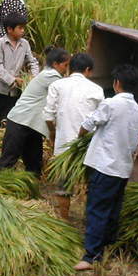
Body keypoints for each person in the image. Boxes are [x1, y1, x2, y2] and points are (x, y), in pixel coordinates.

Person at [74, 64, 138, 271]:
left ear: (117, 83)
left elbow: (88, 124)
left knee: (97, 209)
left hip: (104, 166)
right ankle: (108, 245)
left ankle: (91, 256)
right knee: (112, 209)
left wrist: (80, 139)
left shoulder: (112, 104)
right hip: (122, 169)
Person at [43, 53, 104, 217]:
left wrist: (52, 134)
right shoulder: (96, 90)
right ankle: (88, 219)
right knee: (91, 184)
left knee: (63, 186)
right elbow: (101, 120)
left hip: (64, 147)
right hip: (88, 148)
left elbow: (48, 116)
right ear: (88, 70)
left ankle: (63, 220)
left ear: (70, 68)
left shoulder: (58, 85)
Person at [0, 47, 70, 176]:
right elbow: (66, 90)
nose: (67, 68)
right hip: (20, 121)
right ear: (55, 64)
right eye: (66, 65)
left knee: (34, 162)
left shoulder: (50, 74)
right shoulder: (50, 76)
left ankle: (31, 187)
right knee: (8, 159)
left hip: (33, 124)